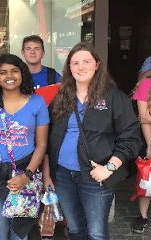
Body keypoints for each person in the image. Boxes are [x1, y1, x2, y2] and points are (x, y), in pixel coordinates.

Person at [44, 42, 141, 240]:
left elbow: (131, 138)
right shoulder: (61, 98)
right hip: (63, 175)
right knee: (74, 229)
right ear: (69, 68)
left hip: (97, 177)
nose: (81, 67)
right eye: (75, 63)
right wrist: (48, 174)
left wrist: (109, 168)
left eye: (86, 61)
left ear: (97, 64)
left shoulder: (114, 97)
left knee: (96, 233)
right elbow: (47, 136)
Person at [0, 54, 49, 240]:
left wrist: (27, 176)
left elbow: (42, 144)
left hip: (25, 174)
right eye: (3, 72)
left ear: (22, 74)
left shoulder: (37, 103)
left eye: (14, 71)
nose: (9, 76)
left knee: (20, 231)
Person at [132, 56, 151, 234]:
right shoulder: (145, 85)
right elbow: (143, 118)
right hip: (149, 138)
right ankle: (143, 216)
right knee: (147, 184)